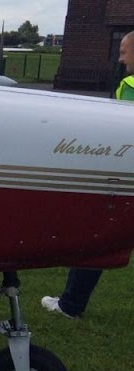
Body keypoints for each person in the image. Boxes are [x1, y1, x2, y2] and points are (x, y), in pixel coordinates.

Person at [41, 31, 134, 318]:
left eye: (124, 51)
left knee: (96, 235)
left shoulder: (130, 85)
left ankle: (71, 305)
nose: (120, 58)